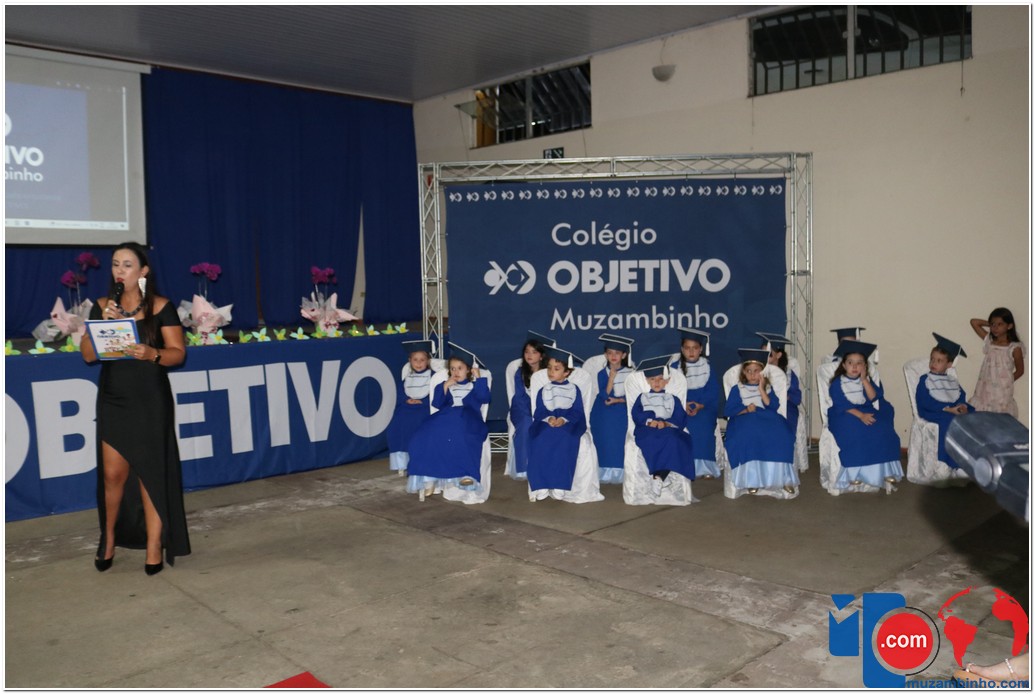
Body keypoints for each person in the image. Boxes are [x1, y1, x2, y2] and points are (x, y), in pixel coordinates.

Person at [80, 242, 191, 575]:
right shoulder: (102, 305)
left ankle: (154, 546)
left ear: (143, 271)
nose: (120, 271)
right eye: (116, 264)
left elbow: (177, 353)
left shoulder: (161, 306)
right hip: (114, 397)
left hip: (149, 399)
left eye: (127, 265)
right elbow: (87, 355)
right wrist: (102, 324)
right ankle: (108, 539)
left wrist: (152, 353)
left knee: (149, 473)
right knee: (113, 475)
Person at [406, 343, 491, 501]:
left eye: (460, 368)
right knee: (423, 435)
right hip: (446, 418)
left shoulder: (474, 386)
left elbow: (484, 398)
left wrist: (479, 378)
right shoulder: (446, 385)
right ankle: (428, 477)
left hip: (469, 419)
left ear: (468, 370)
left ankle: (466, 474)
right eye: (452, 369)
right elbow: (437, 403)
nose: (456, 372)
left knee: (463, 436)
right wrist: (445, 385)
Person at [826, 340, 903, 492]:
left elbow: (874, 397)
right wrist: (861, 416)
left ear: (865, 366)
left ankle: (885, 471)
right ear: (844, 365)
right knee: (856, 431)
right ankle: (854, 473)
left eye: (859, 363)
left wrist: (864, 380)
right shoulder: (837, 383)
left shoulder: (866, 380)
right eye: (850, 362)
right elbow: (841, 404)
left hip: (866, 410)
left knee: (883, 428)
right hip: (844, 413)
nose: (854, 366)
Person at [723, 348, 798, 496]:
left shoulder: (768, 388)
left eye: (756, 371)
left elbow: (774, 406)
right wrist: (746, 409)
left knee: (782, 433)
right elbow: (729, 410)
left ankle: (783, 478)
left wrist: (762, 389)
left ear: (762, 372)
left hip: (766, 418)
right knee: (750, 435)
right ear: (744, 373)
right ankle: (752, 479)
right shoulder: (738, 389)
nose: (752, 375)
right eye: (749, 371)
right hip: (744, 419)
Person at [526, 346, 587, 499]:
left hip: (569, 423)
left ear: (566, 372)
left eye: (556, 368)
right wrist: (549, 418)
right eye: (549, 368)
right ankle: (541, 484)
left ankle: (560, 484)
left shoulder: (574, 389)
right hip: (545, 422)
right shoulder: (544, 390)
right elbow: (539, 411)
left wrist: (563, 419)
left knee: (565, 439)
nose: (551, 372)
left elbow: (578, 411)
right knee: (539, 439)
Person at [631, 356, 697, 497]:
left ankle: (659, 476)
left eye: (660, 379)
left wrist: (666, 423)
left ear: (667, 381)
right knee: (651, 439)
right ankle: (661, 476)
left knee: (674, 439)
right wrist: (650, 421)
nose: (656, 382)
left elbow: (680, 417)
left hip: (668, 428)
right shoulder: (642, 397)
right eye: (652, 379)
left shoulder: (673, 399)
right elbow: (636, 414)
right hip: (647, 429)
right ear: (647, 381)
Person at [916, 333, 975, 469]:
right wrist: (948, 409)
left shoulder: (952, 381)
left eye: (939, 361)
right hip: (933, 412)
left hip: (952, 411)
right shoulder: (925, 379)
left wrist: (962, 406)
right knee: (950, 421)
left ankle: (968, 459)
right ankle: (948, 462)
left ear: (949, 364)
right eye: (932, 359)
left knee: (972, 419)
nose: (933, 363)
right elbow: (924, 401)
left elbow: (960, 397)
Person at [669, 328, 720, 479]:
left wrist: (700, 405)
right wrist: (682, 404)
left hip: (704, 407)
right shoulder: (674, 368)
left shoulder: (707, 367)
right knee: (680, 424)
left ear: (701, 349)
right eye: (687, 348)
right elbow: (669, 391)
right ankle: (682, 466)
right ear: (682, 349)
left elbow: (713, 391)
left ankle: (704, 467)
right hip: (680, 406)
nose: (691, 352)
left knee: (703, 424)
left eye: (695, 348)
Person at [589, 333, 635, 484]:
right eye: (609, 353)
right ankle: (604, 472)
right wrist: (611, 378)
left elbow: (634, 396)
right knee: (605, 435)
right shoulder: (602, 373)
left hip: (623, 408)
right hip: (603, 409)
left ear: (624, 355)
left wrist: (619, 400)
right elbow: (604, 394)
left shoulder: (631, 374)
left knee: (620, 437)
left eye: (617, 353)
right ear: (605, 355)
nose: (613, 356)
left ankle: (620, 472)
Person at [386, 339, 436, 475]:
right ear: (410, 361)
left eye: (422, 360)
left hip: (424, 408)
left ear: (428, 361)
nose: (419, 363)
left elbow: (436, 396)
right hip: (407, 407)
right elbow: (400, 394)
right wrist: (407, 400)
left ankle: (418, 460)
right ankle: (402, 463)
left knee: (417, 423)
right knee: (396, 425)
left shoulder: (433, 377)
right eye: (415, 360)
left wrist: (423, 401)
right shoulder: (407, 378)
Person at [507, 331, 551, 481]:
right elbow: (519, 397)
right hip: (522, 409)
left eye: (534, 352)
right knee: (526, 423)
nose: (529, 355)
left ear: (542, 356)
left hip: (543, 409)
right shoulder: (520, 373)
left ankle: (545, 466)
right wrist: (530, 412)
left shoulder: (548, 373)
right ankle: (524, 467)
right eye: (526, 351)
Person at [970, 307, 1026, 418]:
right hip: (984, 388)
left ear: (1009, 326)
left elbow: (1020, 370)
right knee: (982, 417)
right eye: (993, 324)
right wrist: (991, 324)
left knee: (998, 418)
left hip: (1002, 391)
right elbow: (974, 322)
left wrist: (1006, 382)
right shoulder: (989, 341)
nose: (995, 328)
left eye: (1000, 324)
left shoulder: (1014, 347)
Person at [757, 332, 802, 438]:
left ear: (778, 355)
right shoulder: (758, 371)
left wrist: (787, 396)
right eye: (763, 353)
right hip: (762, 404)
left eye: (769, 354)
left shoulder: (789, 374)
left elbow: (797, 399)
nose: (764, 357)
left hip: (786, 407)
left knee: (786, 424)